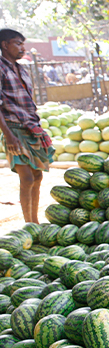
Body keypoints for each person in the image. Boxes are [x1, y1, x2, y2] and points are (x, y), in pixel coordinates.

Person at [0, 28, 55, 223]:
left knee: (38, 176)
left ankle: (34, 220)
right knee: (27, 178)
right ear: (5, 45)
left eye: (23, 44)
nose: (22, 48)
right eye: (17, 43)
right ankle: (29, 224)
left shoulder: (21, 69)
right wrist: (8, 135)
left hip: (31, 127)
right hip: (13, 129)